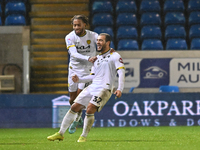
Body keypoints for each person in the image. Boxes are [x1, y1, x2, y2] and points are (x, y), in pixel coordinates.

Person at [47, 33, 125, 142]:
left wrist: (120, 89)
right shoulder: (96, 58)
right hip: (93, 86)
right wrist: (79, 79)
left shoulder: (115, 56)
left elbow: (121, 72)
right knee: (74, 107)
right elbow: (92, 76)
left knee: (90, 109)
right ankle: (60, 133)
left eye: (101, 40)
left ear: (108, 43)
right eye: (97, 40)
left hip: (105, 88)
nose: (98, 42)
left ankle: (83, 136)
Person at [65, 14, 98, 134]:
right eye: (74, 25)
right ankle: (77, 117)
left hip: (87, 71)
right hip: (74, 69)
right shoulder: (69, 37)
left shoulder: (93, 35)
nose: (76, 27)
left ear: (85, 24)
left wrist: (108, 50)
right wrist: (88, 57)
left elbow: (102, 42)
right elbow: (73, 54)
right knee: (72, 100)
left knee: (79, 98)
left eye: (79, 25)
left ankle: (76, 120)